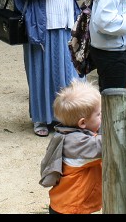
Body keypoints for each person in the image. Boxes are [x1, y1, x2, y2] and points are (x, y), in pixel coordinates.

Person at [14, 0, 89, 137]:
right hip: (42, 22)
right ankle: (41, 119)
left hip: (67, 21)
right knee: (41, 72)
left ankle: (69, 118)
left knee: (68, 72)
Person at [39, 79, 103, 214]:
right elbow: (106, 144)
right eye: (99, 114)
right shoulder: (78, 144)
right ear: (83, 123)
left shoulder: (70, 134)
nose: (103, 117)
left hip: (66, 204)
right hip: (71, 208)